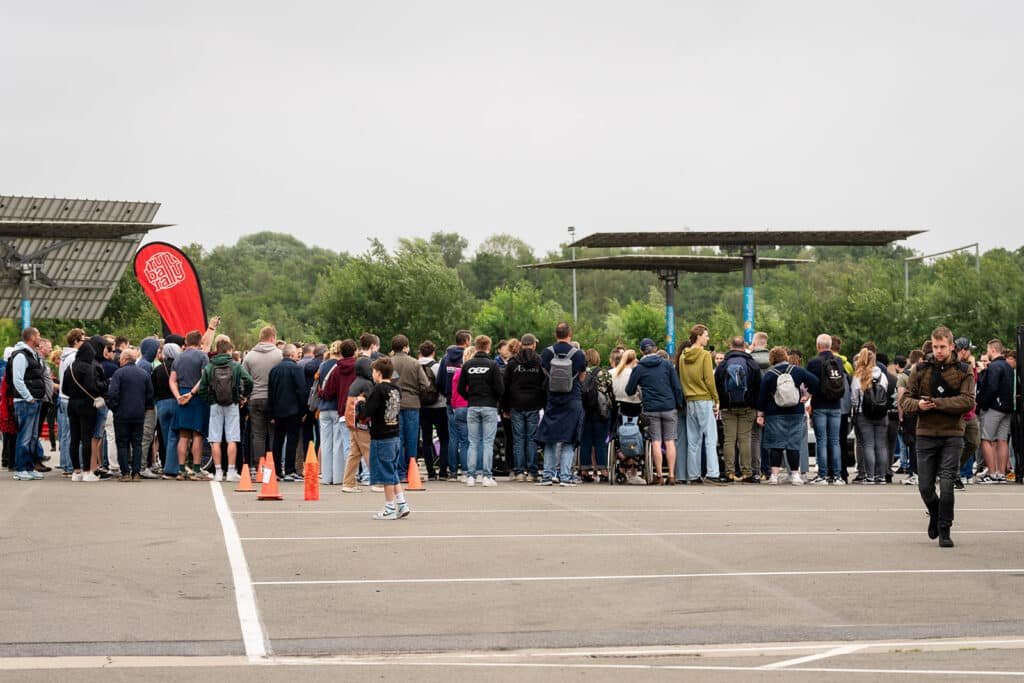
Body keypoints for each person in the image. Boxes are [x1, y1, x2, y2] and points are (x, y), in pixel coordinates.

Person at [899, 326, 975, 548]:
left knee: (948, 483)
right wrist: (919, 405)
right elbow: (905, 401)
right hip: (925, 433)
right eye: (935, 346)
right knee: (925, 487)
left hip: (953, 433)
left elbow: (968, 401)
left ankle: (944, 528)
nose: (938, 351)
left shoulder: (964, 370)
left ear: (952, 346)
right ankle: (935, 512)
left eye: (942, 346)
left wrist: (936, 403)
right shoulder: (920, 369)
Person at [757, 346, 820, 485]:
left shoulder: (769, 374)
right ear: (785, 356)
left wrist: (760, 414)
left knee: (776, 444)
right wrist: (807, 395)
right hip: (795, 411)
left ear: (772, 359)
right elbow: (815, 381)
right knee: (793, 444)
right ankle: (795, 475)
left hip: (774, 413)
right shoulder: (797, 370)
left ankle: (774, 476)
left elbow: (762, 396)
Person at [626, 338, 685, 485]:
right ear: (655, 349)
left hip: (651, 408)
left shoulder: (639, 368)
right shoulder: (667, 364)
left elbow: (629, 390)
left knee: (656, 442)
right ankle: (671, 475)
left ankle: (659, 475)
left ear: (641, 351)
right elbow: (677, 386)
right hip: (669, 407)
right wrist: (679, 404)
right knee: (670, 441)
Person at [357, 357, 409, 520]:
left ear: (378, 373)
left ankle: (389, 507)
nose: (372, 374)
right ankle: (401, 503)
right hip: (394, 434)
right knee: (392, 470)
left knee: (386, 474)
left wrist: (361, 403)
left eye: (373, 372)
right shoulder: (396, 388)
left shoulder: (378, 389)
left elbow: (367, 413)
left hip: (382, 436)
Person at [536, 323, 587, 487]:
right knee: (569, 439)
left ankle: (547, 476)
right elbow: (582, 377)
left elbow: (544, 371)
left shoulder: (547, 352)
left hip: (553, 400)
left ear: (555, 334)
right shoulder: (578, 354)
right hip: (572, 400)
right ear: (570, 334)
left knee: (550, 439)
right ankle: (565, 477)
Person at [197, 337, 254, 482]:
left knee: (215, 439)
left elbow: (202, 387)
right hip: (232, 403)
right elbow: (249, 380)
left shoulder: (210, 366)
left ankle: (218, 472)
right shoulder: (235, 365)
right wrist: (243, 396)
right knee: (232, 438)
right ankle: (231, 471)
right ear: (229, 350)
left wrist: (209, 399)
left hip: (215, 404)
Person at [681, 326, 728, 485]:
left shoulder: (683, 356)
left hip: (690, 399)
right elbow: (709, 379)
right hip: (704, 399)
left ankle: (693, 475)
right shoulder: (705, 355)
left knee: (693, 440)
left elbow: (682, 379)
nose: (708, 338)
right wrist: (716, 399)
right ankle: (712, 473)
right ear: (699, 336)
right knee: (710, 438)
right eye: (706, 336)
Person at [714, 336, 762, 483]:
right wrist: (756, 406)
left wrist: (721, 402)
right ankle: (747, 472)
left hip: (727, 407)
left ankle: (729, 472)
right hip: (748, 407)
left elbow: (717, 385)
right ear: (744, 347)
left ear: (731, 346)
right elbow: (758, 386)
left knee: (729, 440)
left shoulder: (723, 364)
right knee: (745, 440)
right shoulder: (752, 363)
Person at [457, 335, 503, 487]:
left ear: (476, 347)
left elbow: (460, 388)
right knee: (488, 442)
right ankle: (486, 476)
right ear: (488, 347)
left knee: (473, 442)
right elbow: (500, 388)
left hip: (473, 406)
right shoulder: (493, 365)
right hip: (489, 406)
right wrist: (494, 399)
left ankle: (470, 476)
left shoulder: (467, 365)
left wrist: (470, 397)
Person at [62, 337, 108, 481]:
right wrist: (104, 386)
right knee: (86, 438)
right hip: (87, 405)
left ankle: (76, 471)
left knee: (74, 439)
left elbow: (64, 389)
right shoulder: (89, 368)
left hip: (72, 404)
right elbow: (92, 387)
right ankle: (87, 471)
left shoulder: (70, 367)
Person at [805, 334, 848, 485]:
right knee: (835, 441)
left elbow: (809, 383)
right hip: (836, 405)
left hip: (820, 405)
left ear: (818, 346)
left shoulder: (814, 362)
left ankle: (822, 475)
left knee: (821, 441)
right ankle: (837, 476)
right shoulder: (838, 361)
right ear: (830, 346)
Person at [105, 348, 154, 481]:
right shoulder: (144, 374)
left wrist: (114, 408)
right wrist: (145, 408)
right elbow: (149, 394)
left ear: (125, 359)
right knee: (137, 443)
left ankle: (125, 473)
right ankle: (136, 473)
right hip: (139, 414)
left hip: (122, 414)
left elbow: (113, 393)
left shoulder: (119, 373)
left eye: (121, 358)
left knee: (122, 443)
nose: (119, 361)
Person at [503, 333, 545, 482]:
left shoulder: (513, 362)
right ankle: (532, 472)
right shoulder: (539, 361)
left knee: (518, 439)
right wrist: (543, 403)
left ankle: (519, 472)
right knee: (532, 439)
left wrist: (505, 407)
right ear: (534, 345)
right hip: (533, 404)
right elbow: (544, 383)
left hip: (516, 405)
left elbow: (505, 386)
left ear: (521, 344)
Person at [169, 330, 212, 480]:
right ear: (200, 342)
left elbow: (172, 380)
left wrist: (178, 396)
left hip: (181, 396)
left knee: (183, 435)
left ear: (186, 342)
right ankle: (196, 470)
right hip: (197, 397)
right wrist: (192, 393)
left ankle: (181, 470)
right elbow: (204, 378)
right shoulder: (203, 356)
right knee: (197, 434)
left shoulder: (178, 358)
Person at [390, 334, 432, 483]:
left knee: (398, 438)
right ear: (405, 347)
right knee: (412, 439)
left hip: (394, 404)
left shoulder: (388, 362)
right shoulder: (414, 363)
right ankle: (411, 471)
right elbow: (425, 384)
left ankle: (400, 472)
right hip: (413, 404)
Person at [242, 326, 283, 467]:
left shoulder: (249, 356)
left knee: (258, 435)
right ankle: (273, 466)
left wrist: (246, 395)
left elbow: (244, 379)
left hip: (255, 398)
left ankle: (259, 466)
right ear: (272, 338)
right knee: (274, 434)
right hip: (274, 400)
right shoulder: (279, 355)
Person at [8, 327, 46, 480]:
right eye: (38, 335)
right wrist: (29, 397)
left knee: (32, 437)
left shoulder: (32, 355)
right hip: (25, 402)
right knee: (24, 437)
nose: (40, 338)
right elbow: (17, 380)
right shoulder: (21, 355)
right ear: (32, 337)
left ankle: (29, 467)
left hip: (34, 400)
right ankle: (20, 469)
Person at [850, 348, 890, 485]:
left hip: (864, 413)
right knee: (881, 445)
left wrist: (856, 408)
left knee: (868, 444)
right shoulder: (882, 375)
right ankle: (881, 476)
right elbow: (885, 391)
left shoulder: (858, 376)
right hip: (881, 414)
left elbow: (854, 397)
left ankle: (870, 476)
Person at [435, 330, 472, 480]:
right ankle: (466, 470)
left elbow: (439, 381)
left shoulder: (446, 358)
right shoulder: (468, 357)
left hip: (450, 402)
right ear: (467, 341)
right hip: (466, 402)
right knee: (465, 438)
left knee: (453, 437)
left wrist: (447, 395)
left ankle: (452, 471)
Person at [977, 338, 1014, 484]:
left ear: (992, 350)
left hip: (994, 407)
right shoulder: (1008, 366)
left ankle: (992, 474)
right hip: (1007, 407)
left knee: (986, 439)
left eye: (988, 350)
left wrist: (983, 404)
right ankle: (1001, 474)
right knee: (1002, 440)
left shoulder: (994, 366)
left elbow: (991, 387)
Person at [268, 343, 307, 481]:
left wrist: (271, 413)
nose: (297, 356)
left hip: (278, 411)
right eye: (296, 353)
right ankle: (290, 470)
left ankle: (277, 470)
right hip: (293, 410)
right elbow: (302, 390)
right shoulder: (297, 369)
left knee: (278, 440)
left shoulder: (274, 370)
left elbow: (271, 392)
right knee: (292, 439)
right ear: (291, 354)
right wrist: (303, 410)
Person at [611, 349, 646, 485]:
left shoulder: (613, 373)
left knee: (620, 436)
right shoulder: (635, 373)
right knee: (636, 436)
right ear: (634, 359)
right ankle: (633, 469)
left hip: (619, 408)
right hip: (635, 408)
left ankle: (621, 466)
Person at [579, 348, 613, 482]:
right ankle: (603, 471)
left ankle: (584, 471)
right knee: (600, 442)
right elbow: (610, 391)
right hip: (601, 411)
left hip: (584, 411)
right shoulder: (604, 373)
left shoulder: (581, 373)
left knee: (585, 441)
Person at [417, 340, 449, 481]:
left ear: (420, 352)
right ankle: (443, 471)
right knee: (444, 439)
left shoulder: (415, 365)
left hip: (422, 407)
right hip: (439, 406)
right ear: (433, 352)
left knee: (426, 439)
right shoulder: (437, 367)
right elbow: (443, 385)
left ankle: (430, 472)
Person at [341, 353, 373, 492]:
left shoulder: (356, 382)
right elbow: (371, 403)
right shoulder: (367, 384)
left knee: (354, 453)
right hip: (361, 422)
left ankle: (348, 483)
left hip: (352, 421)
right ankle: (378, 481)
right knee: (369, 451)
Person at [57, 329, 86, 476]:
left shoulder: (64, 356)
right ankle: (70, 466)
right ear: (76, 341)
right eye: (83, 340)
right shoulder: (74, 357)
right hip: (70, 398)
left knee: (65, 434)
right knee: (72, 434)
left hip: (62, 397)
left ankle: (65, 463)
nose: (85, 343)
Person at [953, 338, 979, 488]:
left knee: (973, 443)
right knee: (957, 444)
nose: (970, 353)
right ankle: (953, 474)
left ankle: (954, 469)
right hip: (959, 412)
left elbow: (973, 383)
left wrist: (973, 367)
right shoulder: (956, 366)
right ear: (963, 350)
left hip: (970, 412)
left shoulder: (968, 366)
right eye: (969, 349)